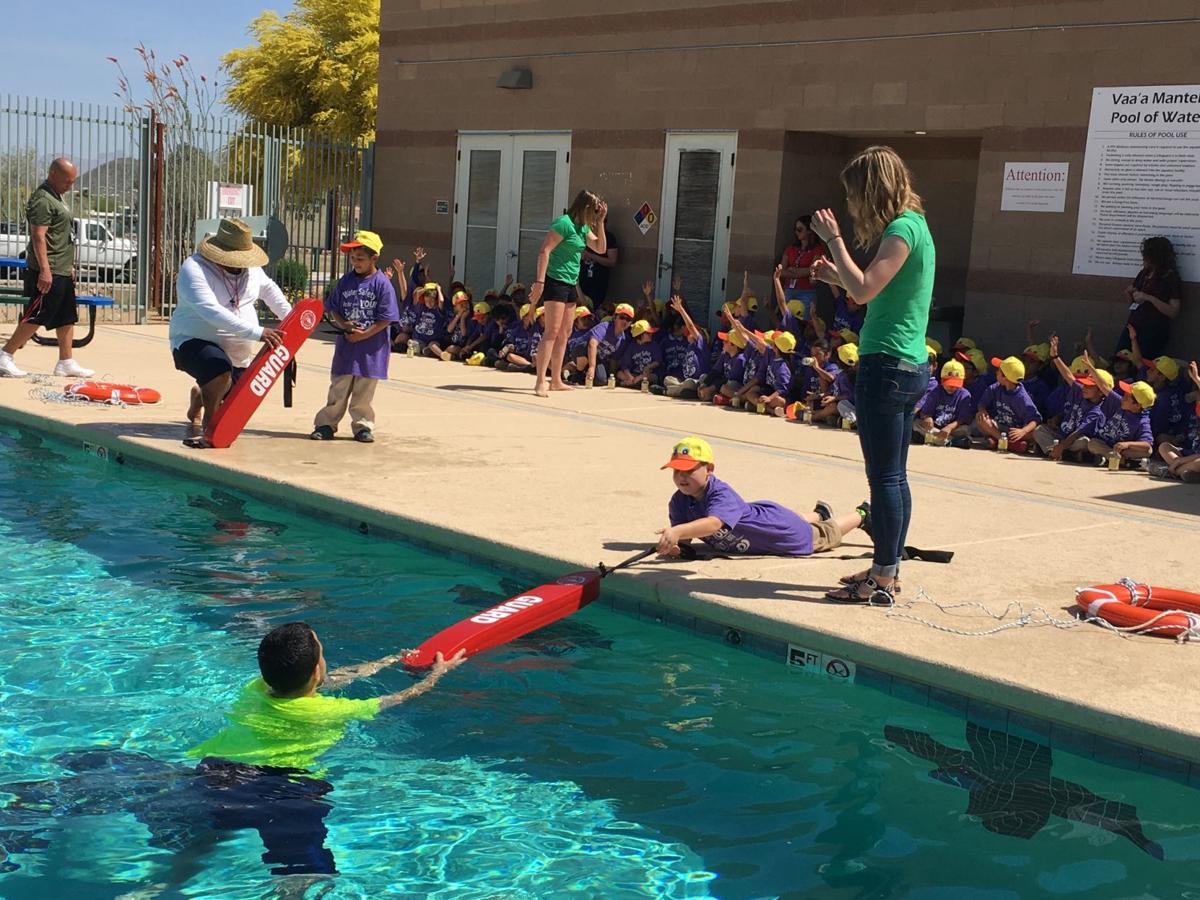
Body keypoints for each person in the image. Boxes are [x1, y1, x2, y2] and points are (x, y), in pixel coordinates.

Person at [0, 625, 465, 879]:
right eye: (324, 656)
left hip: (211, 773)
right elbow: (400, 699)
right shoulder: (329, 713)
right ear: (316, 671)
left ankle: (162, 882)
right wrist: (438, 672)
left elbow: (327, 678)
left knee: (206, 828)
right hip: (278, 788)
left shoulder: (255, 687)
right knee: (304, 860)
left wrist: (385, 661)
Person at [810, 146, 934, 604]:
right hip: (909, 364)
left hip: (887, 366)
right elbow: (879, 289)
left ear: (871, 190)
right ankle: (888, 567)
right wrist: (835, 279)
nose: (851, 205)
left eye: (853, 195)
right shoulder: (916, 226)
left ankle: (881, 578)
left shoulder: (901, 229)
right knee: (894, 477)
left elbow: (863, 291)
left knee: (883, 478)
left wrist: (834, 242)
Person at [168, 219, 291, 448]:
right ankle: (210, 427)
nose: (238, 266)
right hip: (192, 342)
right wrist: (257, 332)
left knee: (233, 396)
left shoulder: (252, 270)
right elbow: (211, 312)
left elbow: (270, 291)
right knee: (218, 370)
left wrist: (292, 320)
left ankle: (200, 395)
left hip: (238, 353)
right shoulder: (194, 269)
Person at [655, 436, 870, 559]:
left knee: (825, 533)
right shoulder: (679, 501)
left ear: (709, 469)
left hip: (782, 533)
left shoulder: (720, 493)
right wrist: (675, 546)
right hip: (762, 517)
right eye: (676, 471)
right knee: (796, 519)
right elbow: (683, 540)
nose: (681, 477)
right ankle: (818, 513)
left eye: (688, 470)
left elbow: (713, 524)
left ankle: (862, 515)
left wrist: (677, 531)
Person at [0, 158, 94, 379]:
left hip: (61, 269)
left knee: (66, 316)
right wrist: (45, 270)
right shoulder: (43, 200)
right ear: (53, 174)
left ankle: (66, 361)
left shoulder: (57, 197)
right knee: (37, 315)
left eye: (72, 181)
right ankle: (5, 355)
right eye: (66, 181)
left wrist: (67, 265)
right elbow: (38, 236)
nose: (70, 186)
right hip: (48, 269)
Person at [310, 231, 399, 443]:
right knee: (338, 388)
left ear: (373, 258)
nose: (355, 263)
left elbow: (386, 318)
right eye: (353, 258)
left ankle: (362, 426)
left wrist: (364, 335)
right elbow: (333, 308)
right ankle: (326, 424)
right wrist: (343, 325)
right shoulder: (346, 281)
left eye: (360, 259)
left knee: (363, 392)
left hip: (371, 350)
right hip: (346, 347)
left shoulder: (382, 284)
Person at [528, 190, 608, 396]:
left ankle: (555, 380)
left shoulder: (583, 228)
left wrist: (600, 222)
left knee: (565, 332)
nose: (595, 214)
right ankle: (540, 382)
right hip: (555, 281)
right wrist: (540, 281)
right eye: (595, 210)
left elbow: (600, 248)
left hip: (572, 282)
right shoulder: (564, 223)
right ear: (586, 208)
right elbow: (544, 250)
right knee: (552, 331)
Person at [1114, 236, 1182, 361]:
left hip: (1153, 329)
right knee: (1120, 358)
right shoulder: (1144, 273)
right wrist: (1129, 294)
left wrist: (1149, 298)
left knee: (1142, 364)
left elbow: (1173, 311)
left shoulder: (1169, 278)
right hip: (1134, 324)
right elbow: (1132, 304)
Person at [975, 356, 1042, 453]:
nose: (996, 372)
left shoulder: (1022, 397)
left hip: (1015, 431)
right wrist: (982, 410)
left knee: (1035, 432)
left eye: (999, 370)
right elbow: (982, 403)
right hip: (998, 427)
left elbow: (1035, 419)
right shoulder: (995, 387)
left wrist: (1023, 431)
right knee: (980, 418)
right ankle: (1006, 442)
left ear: (1004, 377)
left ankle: (997, 441)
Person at [1151, 362, 1200, 483]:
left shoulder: (1167, 394)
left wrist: (1179, 462)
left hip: (1195, 459)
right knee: (1164, 446)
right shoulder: (1192, 410)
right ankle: (1184, 472)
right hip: (1189, 453)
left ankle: (1171, 471)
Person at [913, 359, 976, 446]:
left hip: (953, 428)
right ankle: (953, 442)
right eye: (948, 383)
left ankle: (935, 439)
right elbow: (926, 413)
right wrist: (928, 418)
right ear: (942, 380)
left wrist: (949, 428)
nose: (951, 387)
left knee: (966, 429)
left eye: (955, 385)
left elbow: (962, 419)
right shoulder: (935, 392)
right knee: (916, 424)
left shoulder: (964, 394)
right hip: (935, 426)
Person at [778, 215, 826, 319]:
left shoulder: (817, 249)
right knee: (786, 320)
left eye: (800, 229)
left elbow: (814, 270)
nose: (797, 232)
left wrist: (792, 270)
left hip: (807, 291)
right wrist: (803, 272)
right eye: (795, 229)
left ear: (809, 231)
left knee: (805, 321)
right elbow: (781, 271)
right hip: (789, 290)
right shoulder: (790, 249)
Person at [579, 227, 619, 303]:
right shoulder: (583, 235)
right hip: (581, 277)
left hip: (598, 280)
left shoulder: (609, 237)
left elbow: (612, 261)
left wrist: (591, 256)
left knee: (594, 305)